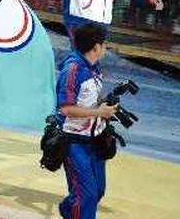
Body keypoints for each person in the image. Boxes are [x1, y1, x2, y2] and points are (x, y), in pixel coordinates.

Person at [56, 23, 118, 219]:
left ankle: (68, 211)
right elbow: (65, 108)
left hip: (94, 138)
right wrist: (98, 112)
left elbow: (87, 100)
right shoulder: (73, 70)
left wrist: (104, 108)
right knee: (86, 196)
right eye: (104, 43)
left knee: (97, 190)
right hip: (74, 141)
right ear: (96, 47)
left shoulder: (93, 67)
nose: (106, 47)